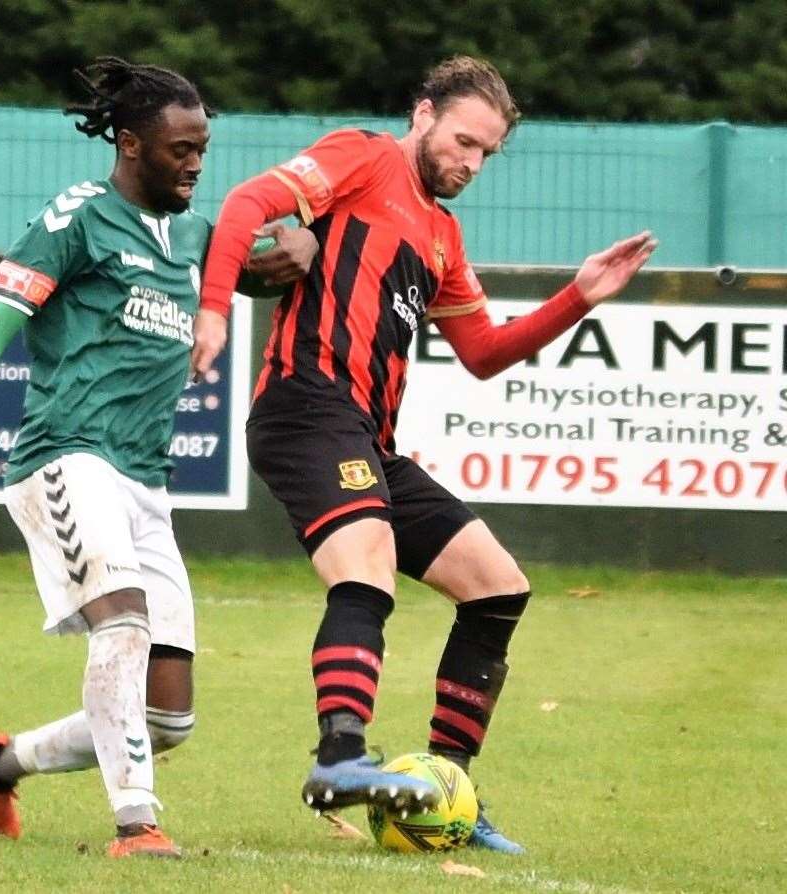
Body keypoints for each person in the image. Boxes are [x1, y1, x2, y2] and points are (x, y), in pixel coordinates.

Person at [193, 55, 656, 854]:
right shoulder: (362, 158)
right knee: (365, 562)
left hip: (368, 437)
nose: (471, 163)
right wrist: (214, 312)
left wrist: (577, 297)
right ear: (423, 115)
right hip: (306, 407)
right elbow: (246, 202)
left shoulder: (441, 234)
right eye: (464, 142)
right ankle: (339, 757)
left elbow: (480, 350)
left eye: (486, 154)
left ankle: (449, 793)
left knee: (496, 587)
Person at [0, 57, 316, 859]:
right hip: (65, 459)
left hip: (145, 481)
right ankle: (136, 825)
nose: (195, 163)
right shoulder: (74, 220)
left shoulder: (194, 237)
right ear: (127, 144)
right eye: (179, 149)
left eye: (203, 149)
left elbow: (270, 257)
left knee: (168, 719)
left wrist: (302, 246)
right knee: (120, 625)